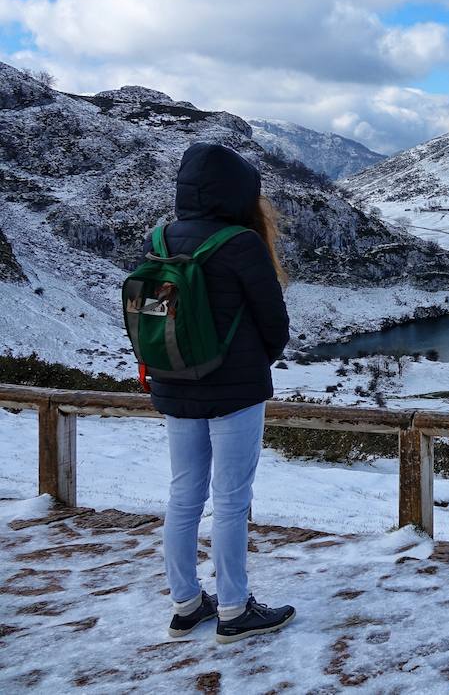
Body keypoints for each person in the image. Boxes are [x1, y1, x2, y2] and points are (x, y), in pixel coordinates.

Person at [147, 142, 296, 643]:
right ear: (239, 193)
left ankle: (186, 602)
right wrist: (253, 360)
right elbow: (275, 324)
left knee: (183, 494)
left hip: (174, 382)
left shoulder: (161, 239)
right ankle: (234, 609)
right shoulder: (241, 243)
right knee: (231, 500)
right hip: (235, 392)